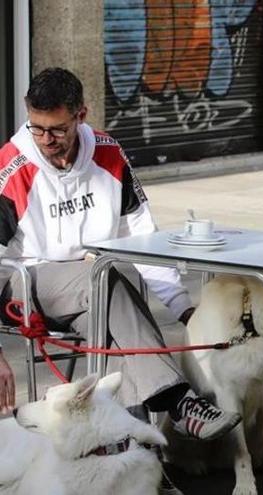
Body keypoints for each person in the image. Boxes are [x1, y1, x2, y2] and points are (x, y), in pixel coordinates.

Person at [0, 68, 239, 492]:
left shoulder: (109, 153)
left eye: (57, 129)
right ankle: (177, 401)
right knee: (104, 276)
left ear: (81, 115)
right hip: (22, 284)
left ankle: (144, 468)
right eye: (37, 128)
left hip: (92, 291)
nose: (45, 139)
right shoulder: (12, 166)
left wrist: (183, 307)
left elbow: (142, 236)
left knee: (114, 329)